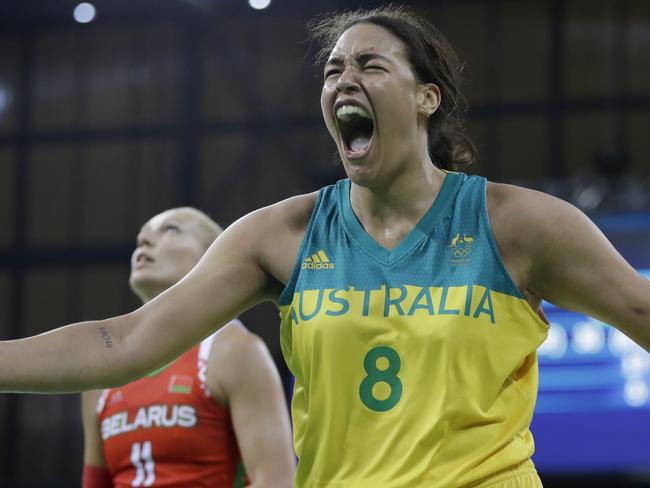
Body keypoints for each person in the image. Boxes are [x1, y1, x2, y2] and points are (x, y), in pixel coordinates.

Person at [2, 6, 649, 487]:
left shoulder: (515, 223)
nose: (344, 79)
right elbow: (123, 343)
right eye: (333, 69)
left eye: (370, 65)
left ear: (428, 98)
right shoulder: (280, 234)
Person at [80, 207, 295, 487]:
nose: (144, 242)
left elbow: (275, 480)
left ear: (212, 255)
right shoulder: (103, 374)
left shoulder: (234, 351)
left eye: (171, 229)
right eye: (142, 237)